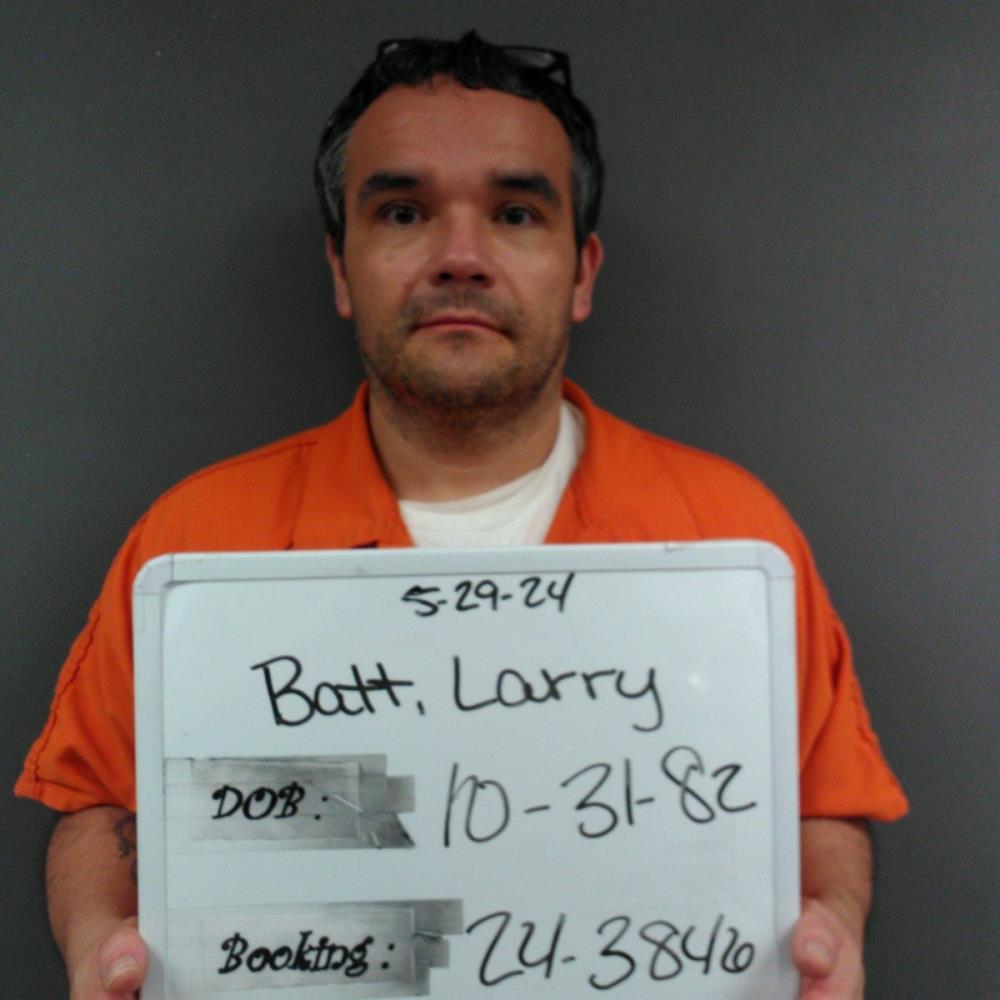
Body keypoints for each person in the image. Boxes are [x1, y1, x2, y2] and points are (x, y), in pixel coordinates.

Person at [17, 32, 907, 1000]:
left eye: (516, 213)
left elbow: (820, 802)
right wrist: (96, 935)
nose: (460, 258)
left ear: (582, 272)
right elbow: (99, 804)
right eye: (403, 211)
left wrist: (829, 920)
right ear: (340, 268)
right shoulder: (195, 540)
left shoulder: (732, 533)